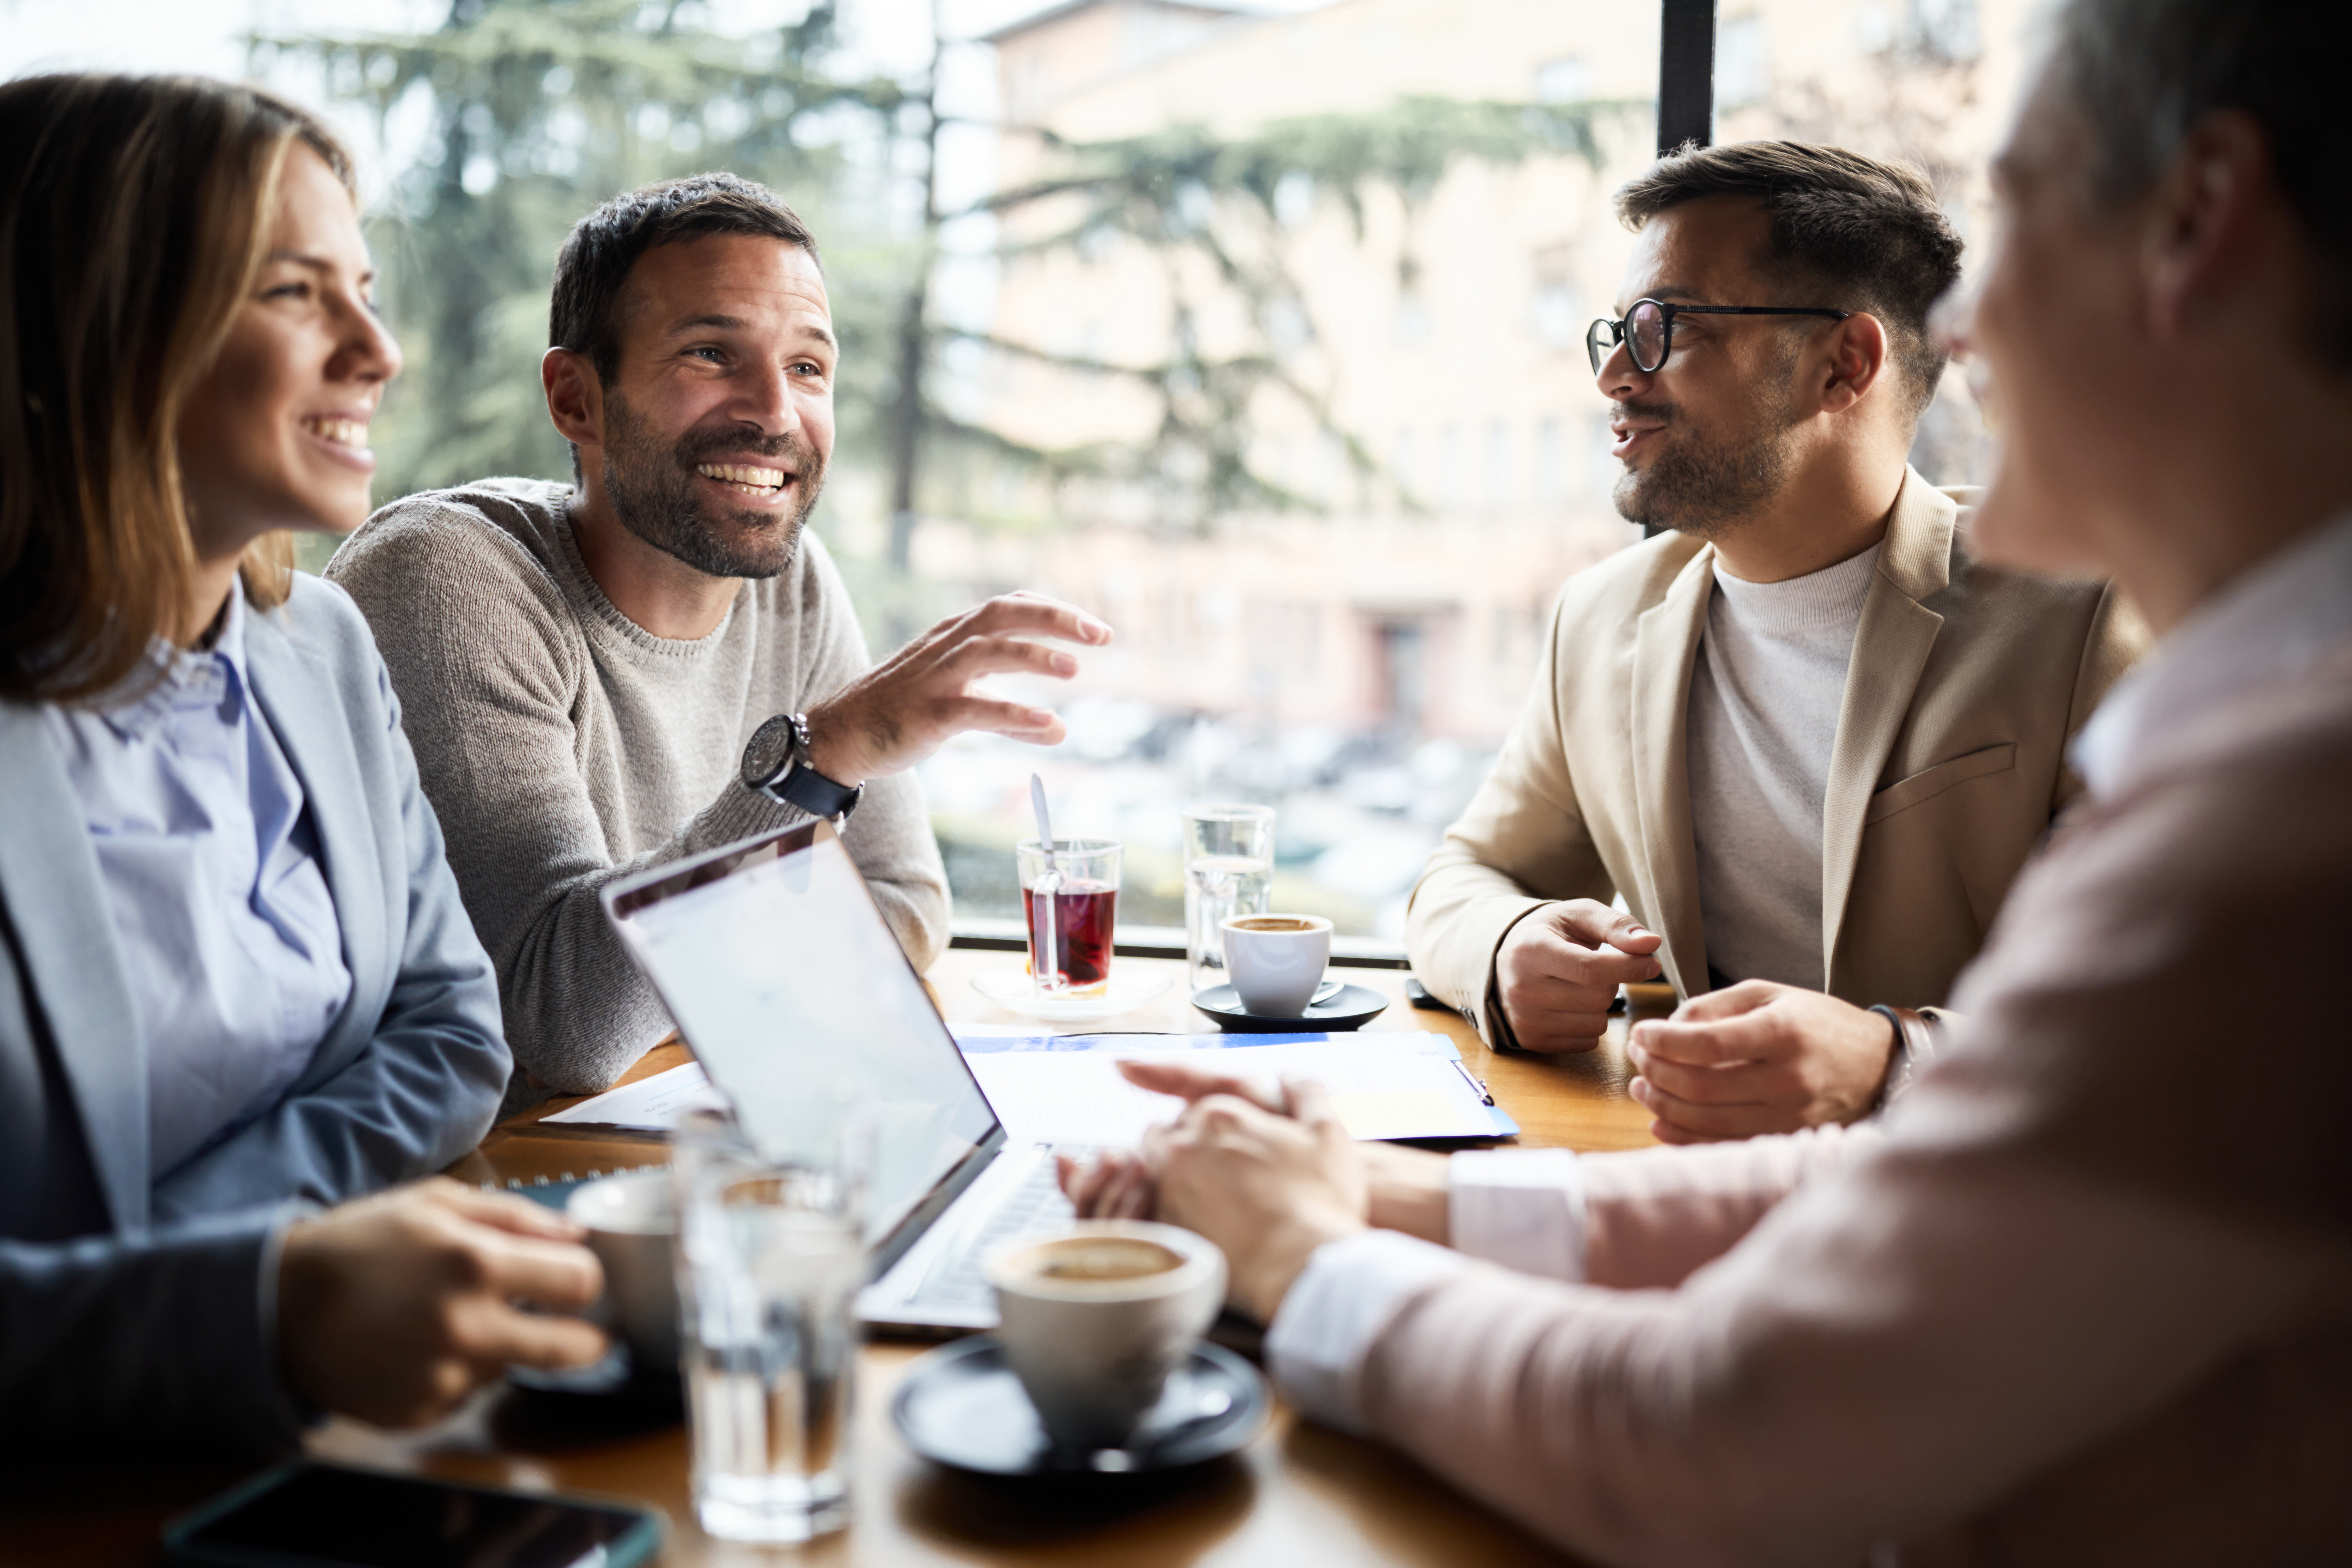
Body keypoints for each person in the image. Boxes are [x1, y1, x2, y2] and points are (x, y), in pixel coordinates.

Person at [1066, 0, 2352, 1556]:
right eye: (1618, 331)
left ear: (2199, 218)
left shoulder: (2279, 815)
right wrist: (1383, 1193)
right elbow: (1903, 1199)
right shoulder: (2266, 721)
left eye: (2013, 210)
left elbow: (1723, 1437)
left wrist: (1305, 1262)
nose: (1981, 320)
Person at [0, 73, 604, 1447]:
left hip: (332, 1414)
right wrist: (257, 1301)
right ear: (87, 331)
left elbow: (454, 1035)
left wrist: (233, 1248)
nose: (377, 349)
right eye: (292, 292)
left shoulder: (318, 643)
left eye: (366, 287)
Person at [1407, 141, 2145, 1142]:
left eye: (1666, 329)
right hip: (1674, 1174)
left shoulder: (2082, 612)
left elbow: (2168, 1013)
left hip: (1977, 1217)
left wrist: (1894, 1063)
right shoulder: (1601, 617)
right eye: (1617, 334)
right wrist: (1504, 948)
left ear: (1845, 365)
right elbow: (1461, 878)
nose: (1617, 376)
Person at [326, 174, 1112, 1101]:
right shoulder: (452, 578)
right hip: (475, 1184)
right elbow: (570, 1025)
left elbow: (908, 906)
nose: (777, 413)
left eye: (810, 367)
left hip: (672, 1125)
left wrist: (677, 961)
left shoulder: (792, 584)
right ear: (576, 399)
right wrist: (819, 762)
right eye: (711, 353)